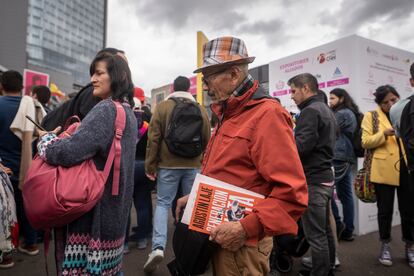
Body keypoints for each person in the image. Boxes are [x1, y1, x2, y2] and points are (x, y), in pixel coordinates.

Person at [176, 36, 308, 275]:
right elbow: (231, 171)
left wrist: (245, 228)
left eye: (209, 78)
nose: (205, 86)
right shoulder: (230, 111)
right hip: (222, 233)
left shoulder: (267, 115)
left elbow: (292, 194)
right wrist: (197, 198)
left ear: (234, 75)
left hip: (242, 244)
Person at [36, 52, 137, 275]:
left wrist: (45, 140)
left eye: (99, 73)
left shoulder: (105, 109)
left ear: (117, 75)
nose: (93, 79)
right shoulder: (128, 112)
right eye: (92, 73)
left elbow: (68, 153)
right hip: (115, 216)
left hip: (93, 219)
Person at [143, 76, 211, 273]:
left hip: (168, 165)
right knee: (192, 207)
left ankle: (157, 247)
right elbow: (207, 139)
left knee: (163, 204)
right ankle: (191, 252)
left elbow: (153, 139)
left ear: (173, 88)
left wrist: (151, 165)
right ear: (189, 88)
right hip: (194, 165)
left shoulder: (163, 107)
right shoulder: (199, 108)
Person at [289, 73, 337, 276]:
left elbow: (300, 147)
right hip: (324, 178)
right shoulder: (325, 108)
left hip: (313, 181)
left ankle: (321, 272)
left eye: (293, 91)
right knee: (324, 232)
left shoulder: (310, 111)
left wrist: (287, 140)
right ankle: (328, 268)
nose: (291, 96)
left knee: (316, 236)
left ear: (306, 88)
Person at [361, 85, 414, 269]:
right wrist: (383, 133)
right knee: (385, 212)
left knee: (409, 211)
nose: (391, 104)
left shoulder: (407, 111)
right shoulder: (371, 116)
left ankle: (410, 246)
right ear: (379, 103)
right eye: (386, 102)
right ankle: (385, 245)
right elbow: (365, 142)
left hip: (407, 168)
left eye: (394, 99)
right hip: (383, 169)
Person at [0, 70, 41, 258]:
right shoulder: (32, 107)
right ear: (22, 87)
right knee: (25, 207)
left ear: (2, 86)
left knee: (3, 212)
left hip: (3, 169)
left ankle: (5, 254)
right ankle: (31, 244)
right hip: (27, 168)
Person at [41, 48, 127, 130]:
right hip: (49, 135)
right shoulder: (94, 93)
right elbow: (88, 136)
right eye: (121, 63)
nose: (125, 69)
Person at [124, 87, 154, 253]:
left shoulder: (123, 123)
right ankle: (142, 239)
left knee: (125, 207)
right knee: (142, 205)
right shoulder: (147, 126)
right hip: (144, 167)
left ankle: (124, 244)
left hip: (127, 168)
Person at [328, 88, 358, 241]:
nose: (330, 101)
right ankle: (347, 230)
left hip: (338, 156)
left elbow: (326, 130)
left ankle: (339, 226)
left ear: (341, 98)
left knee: (327, 193)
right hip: (344, 156)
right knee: (345, 195)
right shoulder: (348, 112)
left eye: (332, 98)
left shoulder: (342, 113)